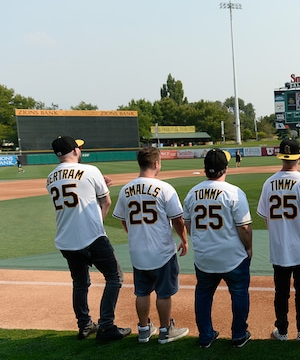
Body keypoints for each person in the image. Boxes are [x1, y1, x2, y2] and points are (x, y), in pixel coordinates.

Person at [46, 136, 131, 341]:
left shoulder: (50, 178)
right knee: (114, 277)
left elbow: (76, 192)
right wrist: (97, 223)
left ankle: (85, 325)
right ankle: (106, 326)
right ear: (75, 151)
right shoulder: (90, 170)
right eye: (79, 148)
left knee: (80, 283)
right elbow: (106, 202)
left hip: (66, 241)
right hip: (92, 237)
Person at [113, 146, 190, 344]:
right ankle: (165, 331)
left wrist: (136, 235)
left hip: (137, 251)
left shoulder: (125, 189)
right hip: (162, 251)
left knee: (142, 291)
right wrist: (184, 239)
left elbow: (123, 219)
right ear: (156, 164)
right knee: (163, 293)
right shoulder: (164, 188)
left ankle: (144, 330)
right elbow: (178, 220)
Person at [183, 148, 253, 348]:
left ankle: (206, 336)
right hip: (232, 255)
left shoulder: (192, 193)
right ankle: (239, 335)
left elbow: (187, 224)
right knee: (239, 294)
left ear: (205, 169)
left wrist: (198, 238)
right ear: (226, 169)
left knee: (203, 295)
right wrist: (249, 248)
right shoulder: (234, 192)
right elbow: (245, 228)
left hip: (204, 257)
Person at [257, 138, 300, 342]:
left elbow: (266, 217)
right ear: (299, 157)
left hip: (279, 248)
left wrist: (279, 233)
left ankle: (282, 331)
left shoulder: (269, 182)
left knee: (281, 292)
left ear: (280, 156)